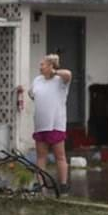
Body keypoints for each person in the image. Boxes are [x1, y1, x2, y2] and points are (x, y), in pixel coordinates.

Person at [27, 54, 72, 194]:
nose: (40, 67)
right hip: (41, 124)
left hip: (56, 124)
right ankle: (41, 184)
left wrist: (55, 72)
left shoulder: (60, 80)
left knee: (60, 156)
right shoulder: (38, 80)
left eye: (43, 64)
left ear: (51, 66)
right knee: (41, 156)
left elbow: (68, 74)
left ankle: (63, 184)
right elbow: (31, 93)